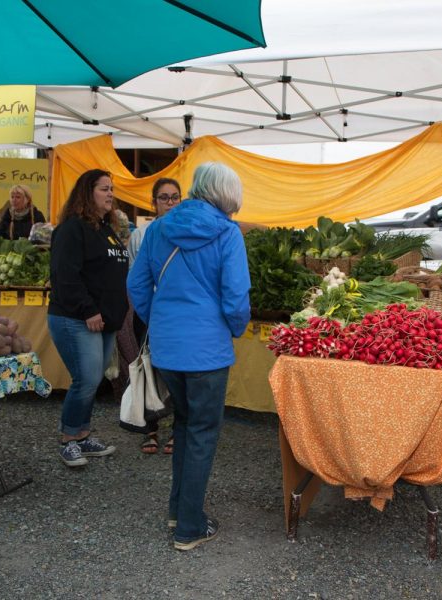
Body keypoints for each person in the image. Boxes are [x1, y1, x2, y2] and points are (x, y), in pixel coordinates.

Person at [127, 162, 250, 551]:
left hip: (167, 348)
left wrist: (159, 320)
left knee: (184, 427)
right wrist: (234, 328)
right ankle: (189, 527)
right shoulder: (228, 232)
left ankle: (178, 511)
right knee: (201, 434)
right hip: (207, 351)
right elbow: (235, 296)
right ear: (227, 196)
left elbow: (136, 284)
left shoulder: (158, 228)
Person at [47, 169, 129, 467]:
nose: (110, 194)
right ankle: (68, 438)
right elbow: (65, 276)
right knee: (87, 379)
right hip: (76, 319)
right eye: (104, 189)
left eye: (111, 189)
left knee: (93, 382)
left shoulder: (105, 228)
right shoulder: (72, 229)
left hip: (105, 321)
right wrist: (89, 310)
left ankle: (82, 435)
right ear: (87, 192)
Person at [127, 177, 182, 455]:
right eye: (164, 198)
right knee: (148, 369)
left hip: (174, 315)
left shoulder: (187, 232)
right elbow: (136, 281)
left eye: (174, 197)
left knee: (177, 373)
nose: (170, 203)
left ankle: (176, 431)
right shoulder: (142, 234)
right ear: (154, 202)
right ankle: (149, 431)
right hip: (151, 313)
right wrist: (149, 314)